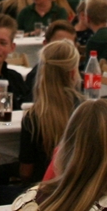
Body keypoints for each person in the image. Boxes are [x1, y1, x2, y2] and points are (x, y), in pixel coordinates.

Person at [19, 40, 82, 184]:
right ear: (73, 73)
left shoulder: (33, 117)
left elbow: (25, 172)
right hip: (81, 188)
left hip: (43, 191)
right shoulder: (86, 109)